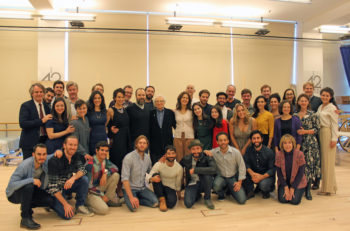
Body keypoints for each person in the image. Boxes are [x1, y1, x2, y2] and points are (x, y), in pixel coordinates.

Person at [6, 144, 55, 229]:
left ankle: (26, 206)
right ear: (33, 155)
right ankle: (25, 218)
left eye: (44, 154)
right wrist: (32, 180)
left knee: (49, 200)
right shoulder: (25, 166)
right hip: (13, 194)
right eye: (39, 154)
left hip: (28, 190)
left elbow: (52, 156)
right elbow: (12, 184)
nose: (42, 157)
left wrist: (58, 152)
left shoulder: (44, 161)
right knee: (29, 186)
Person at [47, 136, 94, 219]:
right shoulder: (54, 160)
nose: (73, 147)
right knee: (68, 216)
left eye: (75, 145)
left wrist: (73, 178)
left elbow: (83, 170)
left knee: (84, 180)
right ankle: (52, 204)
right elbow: (53, 188)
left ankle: (80, 206)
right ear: (64, 145)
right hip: (56, 191)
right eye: (70, 145)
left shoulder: (76, 156)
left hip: (66, 185)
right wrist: (65, 204)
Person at [206, 132, 247, 204]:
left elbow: (242, 167)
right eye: (221, 140)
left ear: (228, 141)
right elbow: (204, 152)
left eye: (225, 140)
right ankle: (221, 194)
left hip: (233, 177)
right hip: (221, 176)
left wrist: (239, 182)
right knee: (216, 186)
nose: (223, 142)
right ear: (217, 142)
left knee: (242, 200)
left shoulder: (236, 152)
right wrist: (205, 151)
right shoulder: (214, 152)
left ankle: (229, 189)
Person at [121, 135, 158, 212]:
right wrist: (131, 197)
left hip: (142, 188)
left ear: (147, 145)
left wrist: (152, 178)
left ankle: (137, 199)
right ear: (136, 144)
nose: (142, 145)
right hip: (131, 188)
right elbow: (124, 180)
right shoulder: (128, 158)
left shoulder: (147, 158)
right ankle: (129, 198)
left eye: (144, 143)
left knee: (155, 202)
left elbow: (149, 172)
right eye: (140, 143)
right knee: (134, 208)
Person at [295, 94, 321, 200]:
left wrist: (305, 131)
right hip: (298, 143)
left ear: (308, 102)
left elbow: (317, 129)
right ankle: (300, 187)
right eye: (301, 101)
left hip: (310, 143)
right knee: (300, 166)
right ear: (298, 102)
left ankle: (308, 190)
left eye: (305, 101)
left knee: (309, 166)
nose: (303, 102)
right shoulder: (295, 115)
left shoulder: (313, 114)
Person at [85, 141, 121, 215]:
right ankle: (85, 204)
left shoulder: (104, 161)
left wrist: (105, 173)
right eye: (102, 150)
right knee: (104, 210)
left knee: (115, 175)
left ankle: (107, 200)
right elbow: (89, 186)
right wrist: (102, 195)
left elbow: (115, 168)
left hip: (98, 187)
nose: (104, 152)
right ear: (97, 151)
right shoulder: (90, 164)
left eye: (106, 151)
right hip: (89, 192)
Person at [180, 139, 217, 209]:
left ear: (201, 149)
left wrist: (196, 170)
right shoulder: (186, 158)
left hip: (204, 183)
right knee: (188, 204)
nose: (196, 151)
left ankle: (207, 198)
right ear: (190, 150)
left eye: (198, 148)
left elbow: (214, 169)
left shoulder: (207, 156)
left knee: (207, 176)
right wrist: (164, 160)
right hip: (192, 183)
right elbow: (177, 166)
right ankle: (197, 195)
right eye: (193, 149)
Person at [19, 83, 51, 159]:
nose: (39, 94)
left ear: (43, 93)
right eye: (36, 92)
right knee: (29, 167)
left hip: (44, 141)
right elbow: (23, 123)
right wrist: (41, 121)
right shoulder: (26, 106)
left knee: (42, 167)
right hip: (29, 143)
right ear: (32, 93)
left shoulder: (46, 107)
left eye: (41, 92)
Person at [317, 87, 338, 196]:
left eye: (327, 95)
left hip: (327, 133)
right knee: (324, 161)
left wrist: (334, 139)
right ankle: (331, 186)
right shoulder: (321, 106)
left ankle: (327, 188)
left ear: (330, 97)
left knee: (328, 161)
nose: (324, 97)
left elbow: (335, 124)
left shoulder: (332, 108)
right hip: (321, 132)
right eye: (323, 95)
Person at [149, 145, 183, 212]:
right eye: (169, 154)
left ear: (175, 154)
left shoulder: (179, 168)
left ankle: (160, 197)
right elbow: (150, 175)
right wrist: (152, 179)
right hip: (160, 186)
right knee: (155, 175)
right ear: (165, 155)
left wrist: (179, 196)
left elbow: (178, 183)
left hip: (170, 188)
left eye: (173, 153)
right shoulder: (159, 164)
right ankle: (162, 200)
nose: (171, 156)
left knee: (171, 204)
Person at [275, 134, 307, 205]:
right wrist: (286, 188)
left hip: (297, 182)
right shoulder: (278, 154)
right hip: (284, 182)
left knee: (294, 201)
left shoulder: (300, 154)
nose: (287, 145)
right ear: (282, 145)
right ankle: (288, 189)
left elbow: (300, 173)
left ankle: (301, 190)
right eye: (285, 143)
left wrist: (292, 188)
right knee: (283, 200)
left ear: (293, 144)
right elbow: (279, 173)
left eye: (289, 142)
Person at [243, 130, 275, 199]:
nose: (256, 140)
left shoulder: (269, 152)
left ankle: (265, 191)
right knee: (242, 173)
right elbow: (246, 163)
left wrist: (261, 177)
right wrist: (252, 173)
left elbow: (272, 169)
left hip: (265, 175)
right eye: (254, 138)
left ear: (262, 139)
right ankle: (250, 191)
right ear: (251, 140)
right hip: (254, 173)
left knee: (263, 184)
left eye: (258, 138)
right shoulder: (248, 150)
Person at [107, 88, 131, 170]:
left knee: (126, 161)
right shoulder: (111, 110)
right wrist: (110, 130)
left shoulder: (126, 110)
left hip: (126, 139)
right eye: (118, 97)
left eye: (122, 97)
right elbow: (105, 126)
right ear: (114, 98)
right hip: (117, 140)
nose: (121, 99)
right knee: (117, 160)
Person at [149, 95, 176, 164]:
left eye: (161, 101)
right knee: (156, 164)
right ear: (154, 103)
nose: (159, 103)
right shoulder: (151, 113)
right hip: (154, 144)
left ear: (164, 102)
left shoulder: (170, 113)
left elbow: (175, 126)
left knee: (167, 163)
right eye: (157, 101)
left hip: (167, 143)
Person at [173, 91, 194, 162]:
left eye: (187, 98)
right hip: (178, 136)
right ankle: (180, 172)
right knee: (179, 158)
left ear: (189, 100)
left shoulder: (192, 111)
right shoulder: (175, 112)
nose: (185, 99)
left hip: (189, 136)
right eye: (183, 97)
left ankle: (188, 173)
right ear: (180, 99)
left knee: (188, 158)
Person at [87, 91, 107, 155]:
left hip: (103, 137)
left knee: (103, 158)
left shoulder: (104, 110)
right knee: (93, 160)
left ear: (102, 99)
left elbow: (106, 123)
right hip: (93, 138)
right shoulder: (88, 111)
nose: (97, 100)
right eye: (95, 98)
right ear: (92, 99)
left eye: (99, 98)